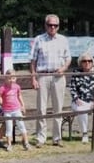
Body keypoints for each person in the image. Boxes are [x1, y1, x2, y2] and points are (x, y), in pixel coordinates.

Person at [29, 14, 71, 147]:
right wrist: (34, 78)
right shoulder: (39, 39)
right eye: (50, 25)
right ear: (45, 25)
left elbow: (68, 58)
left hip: (58, 76)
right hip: (43, 75)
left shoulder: (63, 39)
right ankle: (41, 138)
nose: (53, 27)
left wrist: (64, 68)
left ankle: (57, 138)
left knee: (58, 108)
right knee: (41, 109)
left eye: (55, 25)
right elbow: (32, 61)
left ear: (58, 26)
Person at [0, 69, 30, 151]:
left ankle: (26, 142)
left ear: (16, 78)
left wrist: (23, 105)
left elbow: (19, 96)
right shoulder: (2, 88)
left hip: (16, 109)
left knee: (21, 125)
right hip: (7, 111)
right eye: (9, 78)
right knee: (9, 128)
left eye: (13, 78)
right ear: (5, 78)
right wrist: (0, 103)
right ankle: (9, 144)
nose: (11, 80)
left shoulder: (17, 87)